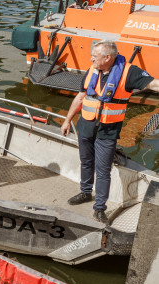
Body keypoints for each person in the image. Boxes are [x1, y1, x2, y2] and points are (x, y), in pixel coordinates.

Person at [61, 39, 159, 224]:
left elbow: (154, 84)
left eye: (94, 56)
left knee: (103, 170)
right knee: (86, 162)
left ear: (107, 57)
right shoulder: (92, 70)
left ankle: (99, 208)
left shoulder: (129, 72)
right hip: (85, 126)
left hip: (107, 131)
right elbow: (81, 97)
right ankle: (85, 192)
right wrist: (67, 120)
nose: (91, 59)